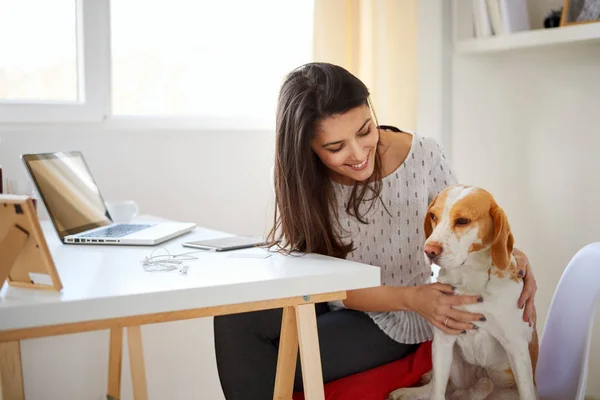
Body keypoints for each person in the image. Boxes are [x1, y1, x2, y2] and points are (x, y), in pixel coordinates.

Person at [213, 62, 537, 400]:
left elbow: (459, 235)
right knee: (234, 317)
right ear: (305, 148)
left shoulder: (424, 155)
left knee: (278, 360)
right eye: (335, 148)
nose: (357, 154)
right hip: (332, 299)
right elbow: (315, 277)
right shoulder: (298, 179)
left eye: (366, 130)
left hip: (399, 315)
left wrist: (514, 256)